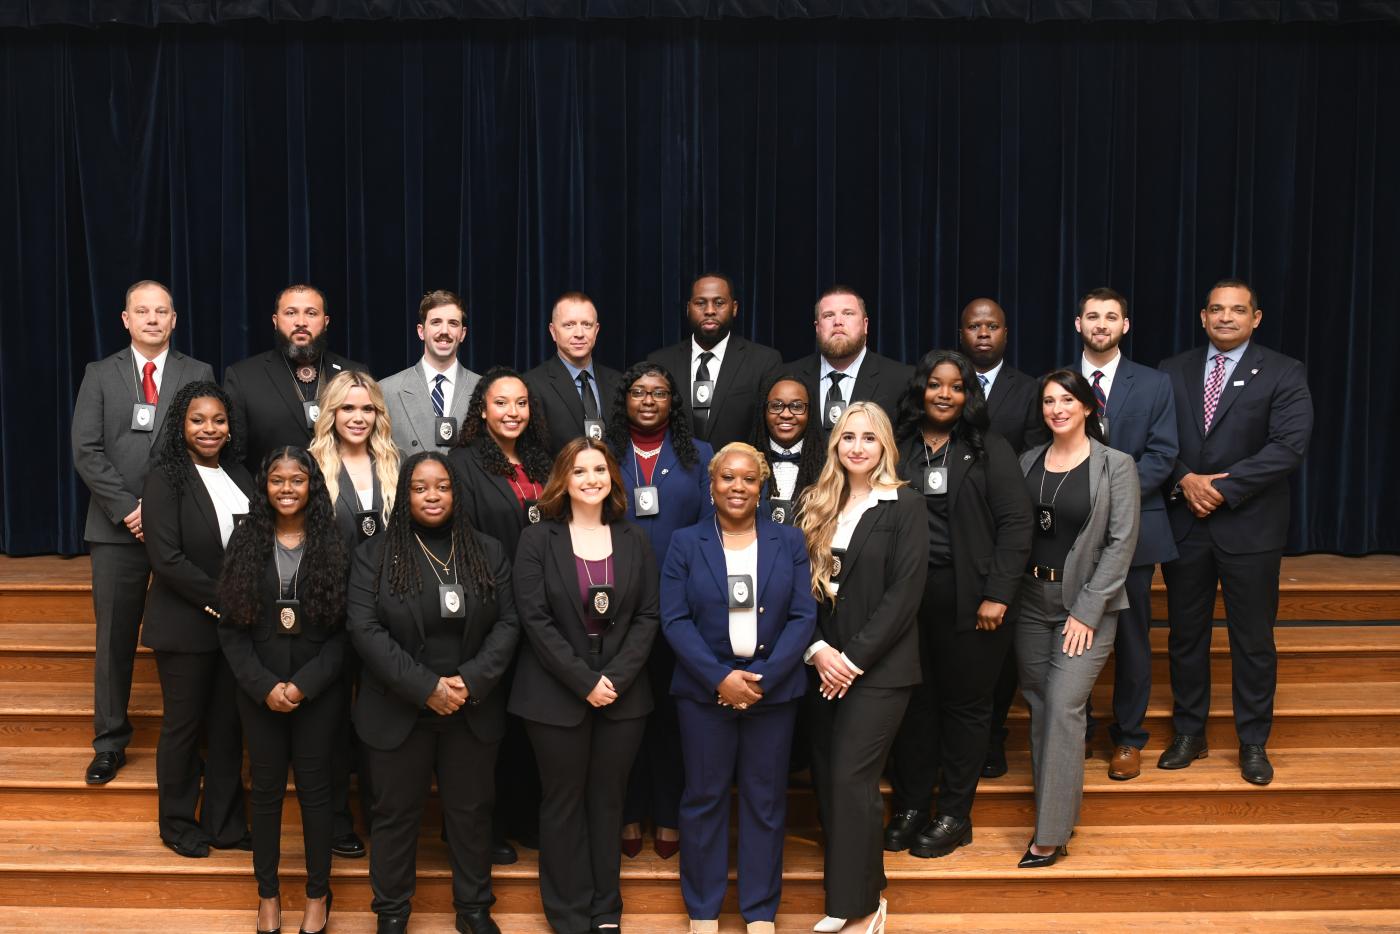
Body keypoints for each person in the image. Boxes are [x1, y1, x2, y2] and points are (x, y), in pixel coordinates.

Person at [346, 452, 520, 934]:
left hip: (472, 707)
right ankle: (393, 912)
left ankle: (473, 910)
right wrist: (426, 688)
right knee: (395, 815)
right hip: (398, 709)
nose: (432, 495)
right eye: (420, 487)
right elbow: (363, 629)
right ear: (404, 495)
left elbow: (509, 623)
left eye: (441, 486)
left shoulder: (487, 551)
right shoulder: (374, 555)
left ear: (455, 492)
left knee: (470, 815)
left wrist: (469, 680)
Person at [1156, 279, 1313, 786]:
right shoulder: (1171, 370)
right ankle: (1189, 733)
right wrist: (1184, 478)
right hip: (1186, 524)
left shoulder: (1284, 371)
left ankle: (1252, 742)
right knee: (1186, 637)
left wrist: (1220, 489)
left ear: (1256, 318)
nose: (1227, 318)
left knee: (1253, 641)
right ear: (1203, 317)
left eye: (1238, 310)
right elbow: (1154, 438)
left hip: (1250, 528)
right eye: (1217, 310)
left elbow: (1287, 447)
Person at [661, 443, 816, 934]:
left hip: (772, 692)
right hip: (704, 694)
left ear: (762, 485)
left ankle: (760, 912)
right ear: (712, 485)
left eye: (749, 479)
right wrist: (720, 678)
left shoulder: (789, 542)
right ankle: (703, 911)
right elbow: (674, 619)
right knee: (704, 797)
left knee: (765, 802)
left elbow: (802, 616)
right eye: (728, 477)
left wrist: (762, 680)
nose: (738, 487)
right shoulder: (685, 543)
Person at [884, 350, 1033, 858]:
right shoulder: (897, 446)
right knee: (913, 705)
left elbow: (1017, 525)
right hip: (905, 599)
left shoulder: (990, 448)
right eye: (935, 384)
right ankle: (910, 805)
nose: (944, 394)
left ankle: (953, 814)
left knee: (966, 708)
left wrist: (997, 594)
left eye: (956, 386)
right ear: (920, 389)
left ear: (969, 395)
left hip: (972, 599)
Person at [510, 438, 660, 934]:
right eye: (580, 471)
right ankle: (568, 913)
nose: (591, 478)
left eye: (600, 469)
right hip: (554, 695)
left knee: (608, 801)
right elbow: (534, 619)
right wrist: (583, 681)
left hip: (623, 694)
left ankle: (605, 911)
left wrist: (611, 680)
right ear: (563, 480)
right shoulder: (538, 540)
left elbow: (647, 617)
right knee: (562, 801)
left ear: (613, 479)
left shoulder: (635, 539)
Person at [71, 280, 215, 785]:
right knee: (114, 638)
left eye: (162, 311)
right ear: (125, 319)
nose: (152, 319)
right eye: (142, 311)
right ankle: (109, 741)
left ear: (174, 319)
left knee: (192, 637)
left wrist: (158, 514)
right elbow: (86, 450)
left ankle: (193, 742)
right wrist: (130, 510)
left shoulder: (198, 374)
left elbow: (204, 445)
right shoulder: (99, 374)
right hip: (115, 531)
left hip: (179, 530)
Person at [796, 402, 926, 934]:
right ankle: (866, 895)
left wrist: (849, 660)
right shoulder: (817, 503)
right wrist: (817, 651)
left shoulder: (905, 505)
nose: (856, 447)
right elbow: (795, 590)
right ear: (834, 445)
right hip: (822, 666)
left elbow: (904, 594)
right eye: (847, 437)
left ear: (885, 446)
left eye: (868, 439)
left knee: (852, 777)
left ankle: (858, 908)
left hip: (880, 671)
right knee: (829, 778)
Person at [217, 447, 348, 934]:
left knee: (317, 795)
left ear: (312, 484)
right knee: (267, 794)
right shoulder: (245, 539)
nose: (287, 489)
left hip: (319, 690)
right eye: (277, 480)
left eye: (297, 480)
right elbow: (230, 628)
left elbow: (346, 632)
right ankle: (268, 896)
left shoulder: (334, 540)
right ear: (264, 486)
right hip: (260, 691)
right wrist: (265, 686)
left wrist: (304, 686)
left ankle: (317, 896)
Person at [1014, 369, 1139, 868]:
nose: (1057, 408)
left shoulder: (1116, 465)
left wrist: (1087, 610)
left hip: (1085, 605)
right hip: (1029, 601)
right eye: (1048, 401)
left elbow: (1121, 542)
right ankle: (1055, 812)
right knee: (1041, 706)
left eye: (1067, 399)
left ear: (1088, 406)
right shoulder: (1026, 461)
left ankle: (1049, 834)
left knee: (1065, 706)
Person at [605, 361, 715, 860]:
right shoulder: (602, 457)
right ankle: (628, 811)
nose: (648, 400)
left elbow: (713, 540)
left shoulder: (701, 458)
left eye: (660, 393)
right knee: (624, 718)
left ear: (674, 402)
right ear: (624, 399)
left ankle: (668, 814)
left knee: (672, 718)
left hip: (681, 613)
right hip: (614, 611)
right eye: (639, 391)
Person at [1069, 289, 1179, 780]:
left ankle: (1130, 738)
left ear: (1125, 326)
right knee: (1074, 634)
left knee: (1132, 640)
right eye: (1093, 316)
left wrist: (1111, 498)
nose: (1101, 324)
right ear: (1078, 324)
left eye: (1110, 317)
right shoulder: (1062, 383)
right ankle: (1079, 729)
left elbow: (1163, 455)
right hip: (1072, 532)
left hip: (1136, 531)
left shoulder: (1155, 384)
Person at [139, 381, 252, 858]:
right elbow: (166, 559)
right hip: (186, 624)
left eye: (219, 420)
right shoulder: (166, 476)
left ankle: (225, 824)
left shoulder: (241, 474)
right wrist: (225, 600)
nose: (210, 428)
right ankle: (178, 822)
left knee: (229, 726)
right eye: (198, 420)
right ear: (181, 424)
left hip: (237, 627)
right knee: (184, 726)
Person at [449, 366, 554, 863]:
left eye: (521, 404)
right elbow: (463, 541)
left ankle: (522, 818)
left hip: (543, 610)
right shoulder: (464, 463)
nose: (512, 413)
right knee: (486, 730)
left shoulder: (544, 460)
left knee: (528, 723)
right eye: (501, 404)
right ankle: (481, 830)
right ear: (482, 410)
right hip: (491, 610)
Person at [309, 369, 403, 858]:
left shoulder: (394, 463)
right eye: (348, 408)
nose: (358, 417)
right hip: (326, 615)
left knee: (378, 723)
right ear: (332, 413)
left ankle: (378, 815)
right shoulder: (310, 465)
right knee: (329, 725)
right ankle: (336, 822)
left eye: (367, 409)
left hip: (384, 615)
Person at [962, 297, 1049, 778]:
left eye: (991, 326)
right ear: (962, 334)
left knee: (1001, 645)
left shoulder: (1030, 389)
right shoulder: (945, 383)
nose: (982, 333)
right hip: (954, 527)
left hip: (1009, 526)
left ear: (1005, 333)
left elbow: (1037, 455)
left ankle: (994, 735)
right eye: (974, 326)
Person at [223, 282, 368, 473]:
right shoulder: (243, 376)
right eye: (291, 313)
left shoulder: (356, 373)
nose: (301, 322)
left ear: (326, 322)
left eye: (311, 313)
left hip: (343, 498)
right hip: (271, 498)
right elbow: (233, 459)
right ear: (275, 321)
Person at [648, 273, 782, 449]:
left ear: (734, 308)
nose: (710, 310)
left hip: (736, 472)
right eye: (700, 303)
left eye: (719, 303)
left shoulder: (764, 361)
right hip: (676, 471)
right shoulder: (660, 362)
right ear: (688, 308)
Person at [788, 286, 912, 437]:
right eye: (828, 315)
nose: (838, 322)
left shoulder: (902, 380)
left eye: (848, 313)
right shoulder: (789, 376)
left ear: (865, 325)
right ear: (817, 328)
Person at [380, 289, 481, 458]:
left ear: (462, 334)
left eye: (453, 323)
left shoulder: (484, 389)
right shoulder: (387, 391)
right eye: (436, 322)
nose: (444, 331)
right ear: (421, 331)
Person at [524, 291, 624, 455]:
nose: (579, 333)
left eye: (586, 324)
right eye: (569, 325)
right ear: (553, 331)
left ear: (596, 330)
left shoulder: (618, 381)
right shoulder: (533, 384)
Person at [749, 373, 827, 527]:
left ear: (810, 412)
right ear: (763, 411)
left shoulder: (828, 465)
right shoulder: (746, 462)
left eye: (797, 406)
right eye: (776, 406)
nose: (786, 414)